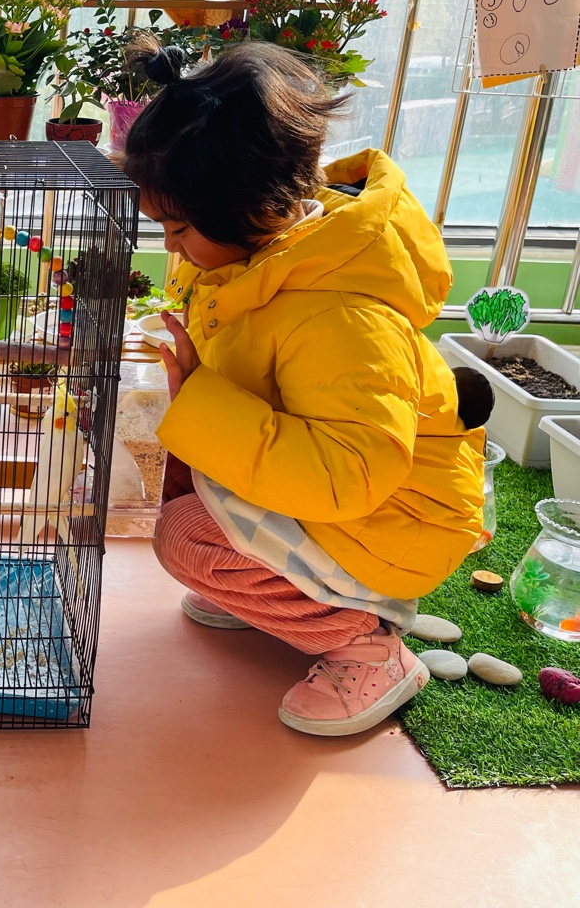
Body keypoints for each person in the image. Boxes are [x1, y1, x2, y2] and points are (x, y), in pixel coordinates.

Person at [123, 38, 486, 738]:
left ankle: (367, 645)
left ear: (252, 207)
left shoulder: (341, 313)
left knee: (186, 539)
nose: (169, 246)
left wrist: (200, 401)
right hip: (346, 501)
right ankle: (278, 588)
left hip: (395, 522)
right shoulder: (266, 259)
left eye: (179, 228)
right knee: (184, 491)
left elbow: (348, 475)